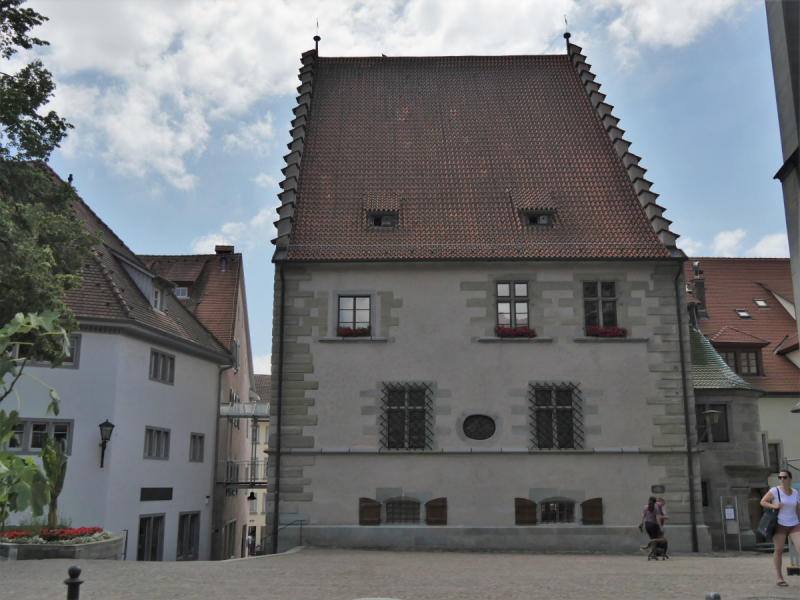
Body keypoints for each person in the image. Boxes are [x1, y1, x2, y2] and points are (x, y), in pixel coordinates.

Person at [761, 470, 800, 587]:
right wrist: (774, 505)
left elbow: (796, 507)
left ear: (790, 479)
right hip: (780, 524)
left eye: (784, 477)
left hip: (794, 523)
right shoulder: (775, 491)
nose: (782, 479)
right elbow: (762, 501)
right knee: (779, 550)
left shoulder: (795, 492)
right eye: (780, 477)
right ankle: (779, 577)